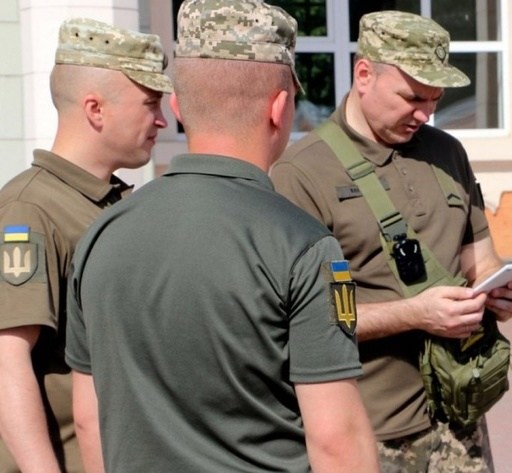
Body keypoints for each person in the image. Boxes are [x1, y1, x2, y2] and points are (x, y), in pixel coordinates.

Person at [63, 1, 379, 472]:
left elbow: (90, 420)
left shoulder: (101, 235)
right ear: (279, 107)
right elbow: (337, 440)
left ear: (177, 106)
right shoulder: (303, 245)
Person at [271, 10, 512, 472]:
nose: (425, 113)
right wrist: (414, 314)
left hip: (458, 416)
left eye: (435, 99)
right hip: (368, 431)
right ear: (364, 74)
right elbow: (302, 319)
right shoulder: (303, 172)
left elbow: (481, 259)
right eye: (412, 97)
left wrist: (499, 289)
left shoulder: (447, 152)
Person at [0, 18, 171, 473]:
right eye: (150, 103)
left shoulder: (112, 204)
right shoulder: (30, 209)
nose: (162, 120)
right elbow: (6, 358)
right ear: (95, 109)